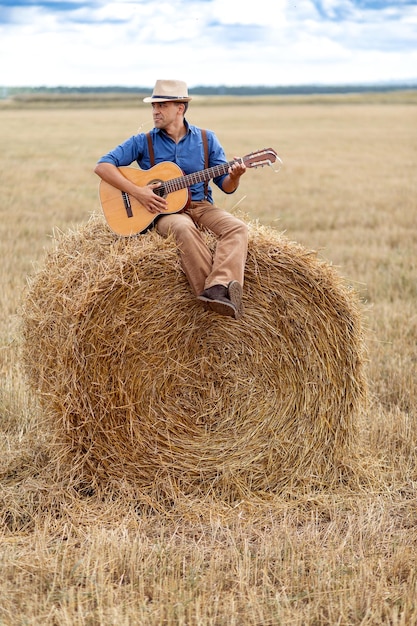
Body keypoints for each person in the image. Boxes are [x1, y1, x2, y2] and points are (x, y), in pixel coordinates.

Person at [94, 79, 248, 320]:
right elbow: (102, 166)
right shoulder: (142, 142)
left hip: (201, 206)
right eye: (154, 106)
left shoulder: (207, 139)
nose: (155, 111)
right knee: (183, 228)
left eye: (162, 106)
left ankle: (218, 286)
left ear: (180, 108)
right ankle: (208, 299)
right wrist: (138, 192)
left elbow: (226, 186)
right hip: (164, 212)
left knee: (237, 228)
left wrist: (235, 176)